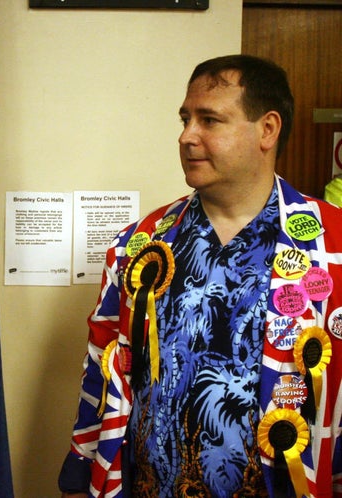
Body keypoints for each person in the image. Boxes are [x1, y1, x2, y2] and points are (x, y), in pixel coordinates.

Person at [58, 54, 342, 497]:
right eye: (185, 118)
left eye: (209, 120)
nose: (186, 136)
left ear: (267, 129)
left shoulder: (333, 245)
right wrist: (79, 472)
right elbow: (102, 363)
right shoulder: (139, 244)